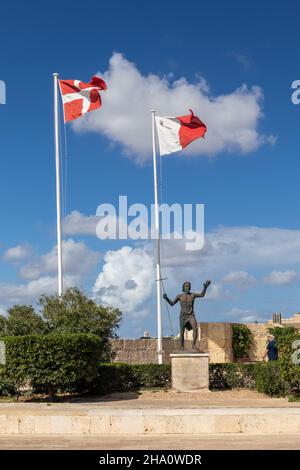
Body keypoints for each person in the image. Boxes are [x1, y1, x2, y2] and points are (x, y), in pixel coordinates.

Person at [163, 280, 211, 351]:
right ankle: (182, 346)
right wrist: (166, 298)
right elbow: (172, 303)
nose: (188, 287)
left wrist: (205, 288)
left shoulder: (192, 295)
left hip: (191, 315)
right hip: (183, 316)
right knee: (182, 331)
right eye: (187, 286)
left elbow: (202, 295)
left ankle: (193, 345)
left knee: (195, 329)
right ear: (183, 287)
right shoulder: (179, 296)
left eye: (189, 286)